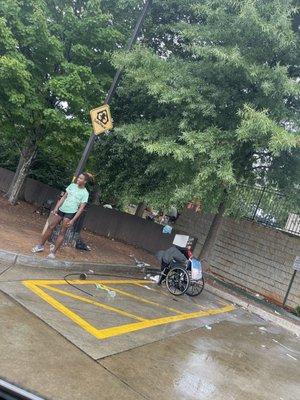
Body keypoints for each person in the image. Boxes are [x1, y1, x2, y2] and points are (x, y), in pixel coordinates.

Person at [32, 173, 91, 259]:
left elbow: (81, 208)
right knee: (51, 226)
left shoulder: (85, 193)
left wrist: (73, 220)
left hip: (70, 212)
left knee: (62, 232)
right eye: (78, 178)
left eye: (81, 178)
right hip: (61, 209)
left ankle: (53, 253)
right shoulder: (72, 185)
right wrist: (56, 208)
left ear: (85, 181)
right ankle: (40, 246)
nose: (78, 179)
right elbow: (63, 197)